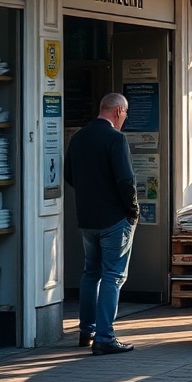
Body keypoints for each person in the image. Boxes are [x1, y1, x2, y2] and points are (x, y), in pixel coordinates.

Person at [64, 92, 140, 356]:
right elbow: (125, 180)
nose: (125, 119)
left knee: (90, 273)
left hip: (86, 219)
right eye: (126, 114)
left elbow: (69, 175)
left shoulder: (78, 137)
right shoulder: (116, 139)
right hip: (114, 219)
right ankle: (105, 337)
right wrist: (132, 210)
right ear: (118, 111)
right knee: (113, 275)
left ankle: (87, 330)